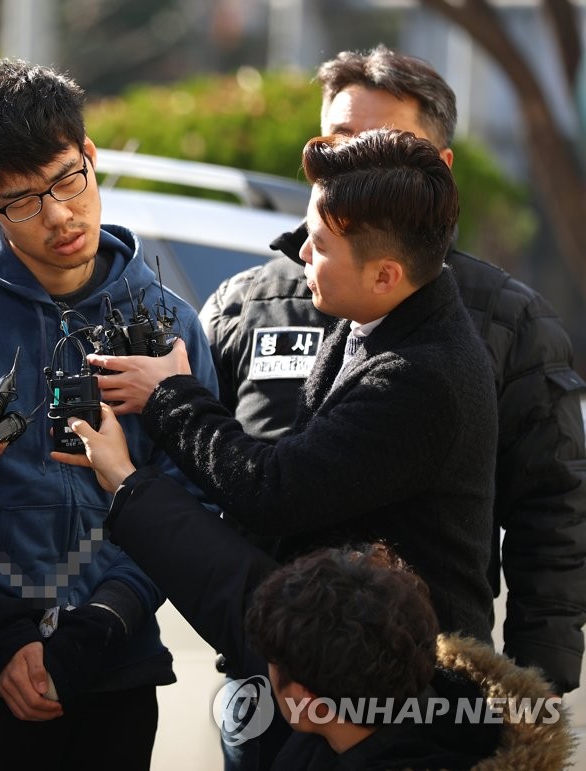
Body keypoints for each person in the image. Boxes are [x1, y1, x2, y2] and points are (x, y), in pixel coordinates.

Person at [62, 127, 498, 739]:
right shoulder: (375, 320)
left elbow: (273, 489)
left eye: (320, 245)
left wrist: (168, 397)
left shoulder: (421, 376)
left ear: (385, 275)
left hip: (396, 707)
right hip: (345, 682)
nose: (300, 253)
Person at [0, 56, 220, 771]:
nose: (59, 215)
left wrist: (109, 616)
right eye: (22, 200)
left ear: (90, 155)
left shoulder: (173, 323)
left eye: (67, 180)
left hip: (118, 672)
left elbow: (196, 496)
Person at [202, 45, 586, 703]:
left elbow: (552, 511)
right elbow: (193, 477)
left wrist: (531, 692)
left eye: (385, 146)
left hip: (411, 686)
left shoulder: (504, 319)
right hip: (263, 674)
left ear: (438, 168)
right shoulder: (248, 302)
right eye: (340, 141)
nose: (357, 162)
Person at [94, 463, 574, 771]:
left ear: (308, 701)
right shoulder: (428, 702)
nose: (265, 665)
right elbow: (232, 588)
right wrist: (127, 480)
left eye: (273, 663)